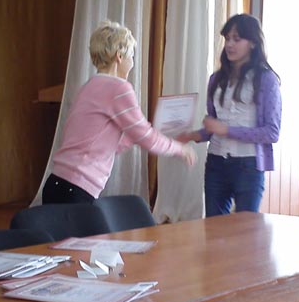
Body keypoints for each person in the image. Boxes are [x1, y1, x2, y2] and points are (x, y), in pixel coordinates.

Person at [42, 21, 196, 204]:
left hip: (57, 183)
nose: (132, 62)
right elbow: (147, 138)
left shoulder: (89, 86)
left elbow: (105, 144)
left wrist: (138, 134)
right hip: (75, 189)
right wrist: (180, 149)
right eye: (132, 56)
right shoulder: (119, 88)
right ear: (119, 56)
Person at [181, 13, 282, 216]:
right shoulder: (216, 79)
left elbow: (271, 132)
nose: (229, 44)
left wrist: (226, 130)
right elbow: (213, 127)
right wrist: (192, 135)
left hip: (249, 164)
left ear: (253, 43)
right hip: (216, 162)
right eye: (227, 38)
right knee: (214, 227)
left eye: (237, 39)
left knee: (245, 229)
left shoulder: (266, 79)